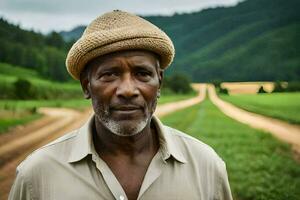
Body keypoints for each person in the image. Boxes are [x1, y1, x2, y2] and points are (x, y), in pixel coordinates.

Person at [9, 10, 232, 200]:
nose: (127, 90)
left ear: (159, 82)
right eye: (109, 74)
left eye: (142, 73)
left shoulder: (206, 167)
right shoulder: (36, 176)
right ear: (87, 86)